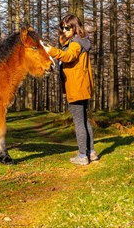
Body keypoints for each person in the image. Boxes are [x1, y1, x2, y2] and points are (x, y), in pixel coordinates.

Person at [44, 14, 97, 165]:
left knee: (79, 122)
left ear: (75, 27)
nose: (64, 30)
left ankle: (82, 156)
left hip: (76, 87)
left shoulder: (75, 44)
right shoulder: (79, 41)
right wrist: (62, 38)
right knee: (85, 120)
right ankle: (91, 152)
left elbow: (68, 56)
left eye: (67, 28)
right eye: (62, 27)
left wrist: (52, 51)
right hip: (81, 86)